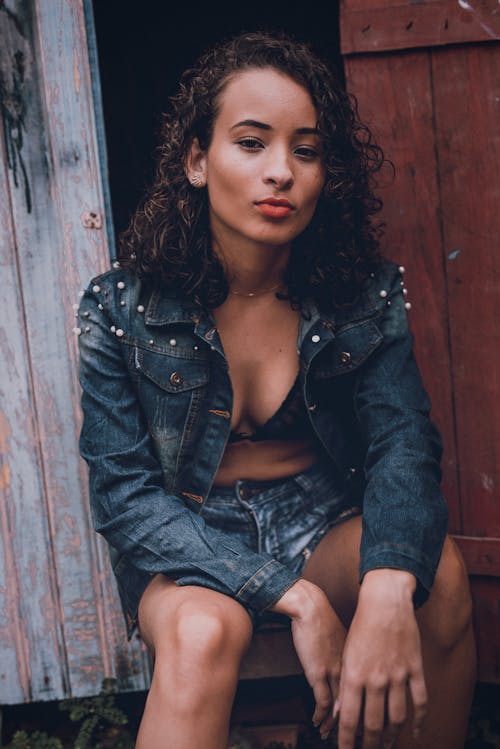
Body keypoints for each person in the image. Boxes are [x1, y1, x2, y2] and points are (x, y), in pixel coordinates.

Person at [77, 32, 476, 749]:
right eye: (252, 143)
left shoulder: (362, 293)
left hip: (320, 519)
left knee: (434, 576)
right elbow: (123, 496)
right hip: (190, 534)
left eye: (307, 149)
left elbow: (403, 443)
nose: (281, 172)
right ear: (197, 160)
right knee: (202, 632)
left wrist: (385, 583)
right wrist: (291, 595)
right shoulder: (119, 307)